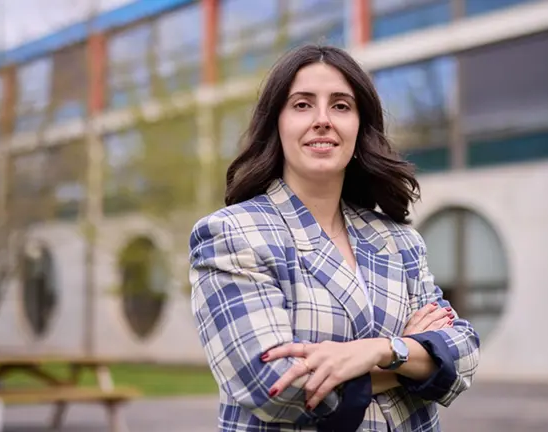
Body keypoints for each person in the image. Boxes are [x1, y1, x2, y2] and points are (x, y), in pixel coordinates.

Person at [189, 44, 480, 432]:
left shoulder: (400, 241)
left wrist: (378, 349)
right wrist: (413, 356)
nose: (323, 119)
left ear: (360, 126)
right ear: (277, 122)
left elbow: (463, 354)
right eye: (303, 105)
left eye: (341, 105)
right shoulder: (232, 234)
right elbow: (270, 386)